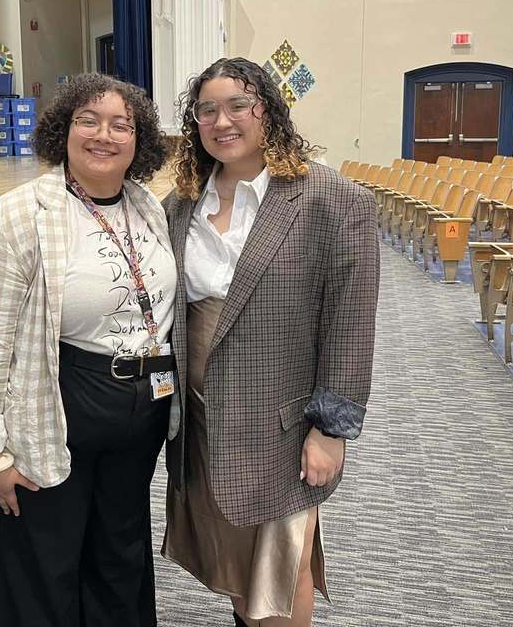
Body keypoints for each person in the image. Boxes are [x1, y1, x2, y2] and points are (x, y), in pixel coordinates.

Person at [0, 73, 177, 627]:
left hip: (140, 412)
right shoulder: (13, 217)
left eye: (121, 124)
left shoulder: (148, 205)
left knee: (118, 559)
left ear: (139, 140)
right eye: (88, 120)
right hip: (59, 407)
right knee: (41, 570)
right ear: (62, 132)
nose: (104, 135)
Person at [161, 57, 380, 627]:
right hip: (204, 420)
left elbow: (351, 326)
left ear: (269, 113)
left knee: (284, 568)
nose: (222, 121)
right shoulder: (183, 203)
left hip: (282, 420)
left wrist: (331, 430)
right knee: (235, 556)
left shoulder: (329, 199)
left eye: (238, 105)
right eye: (207, 109)